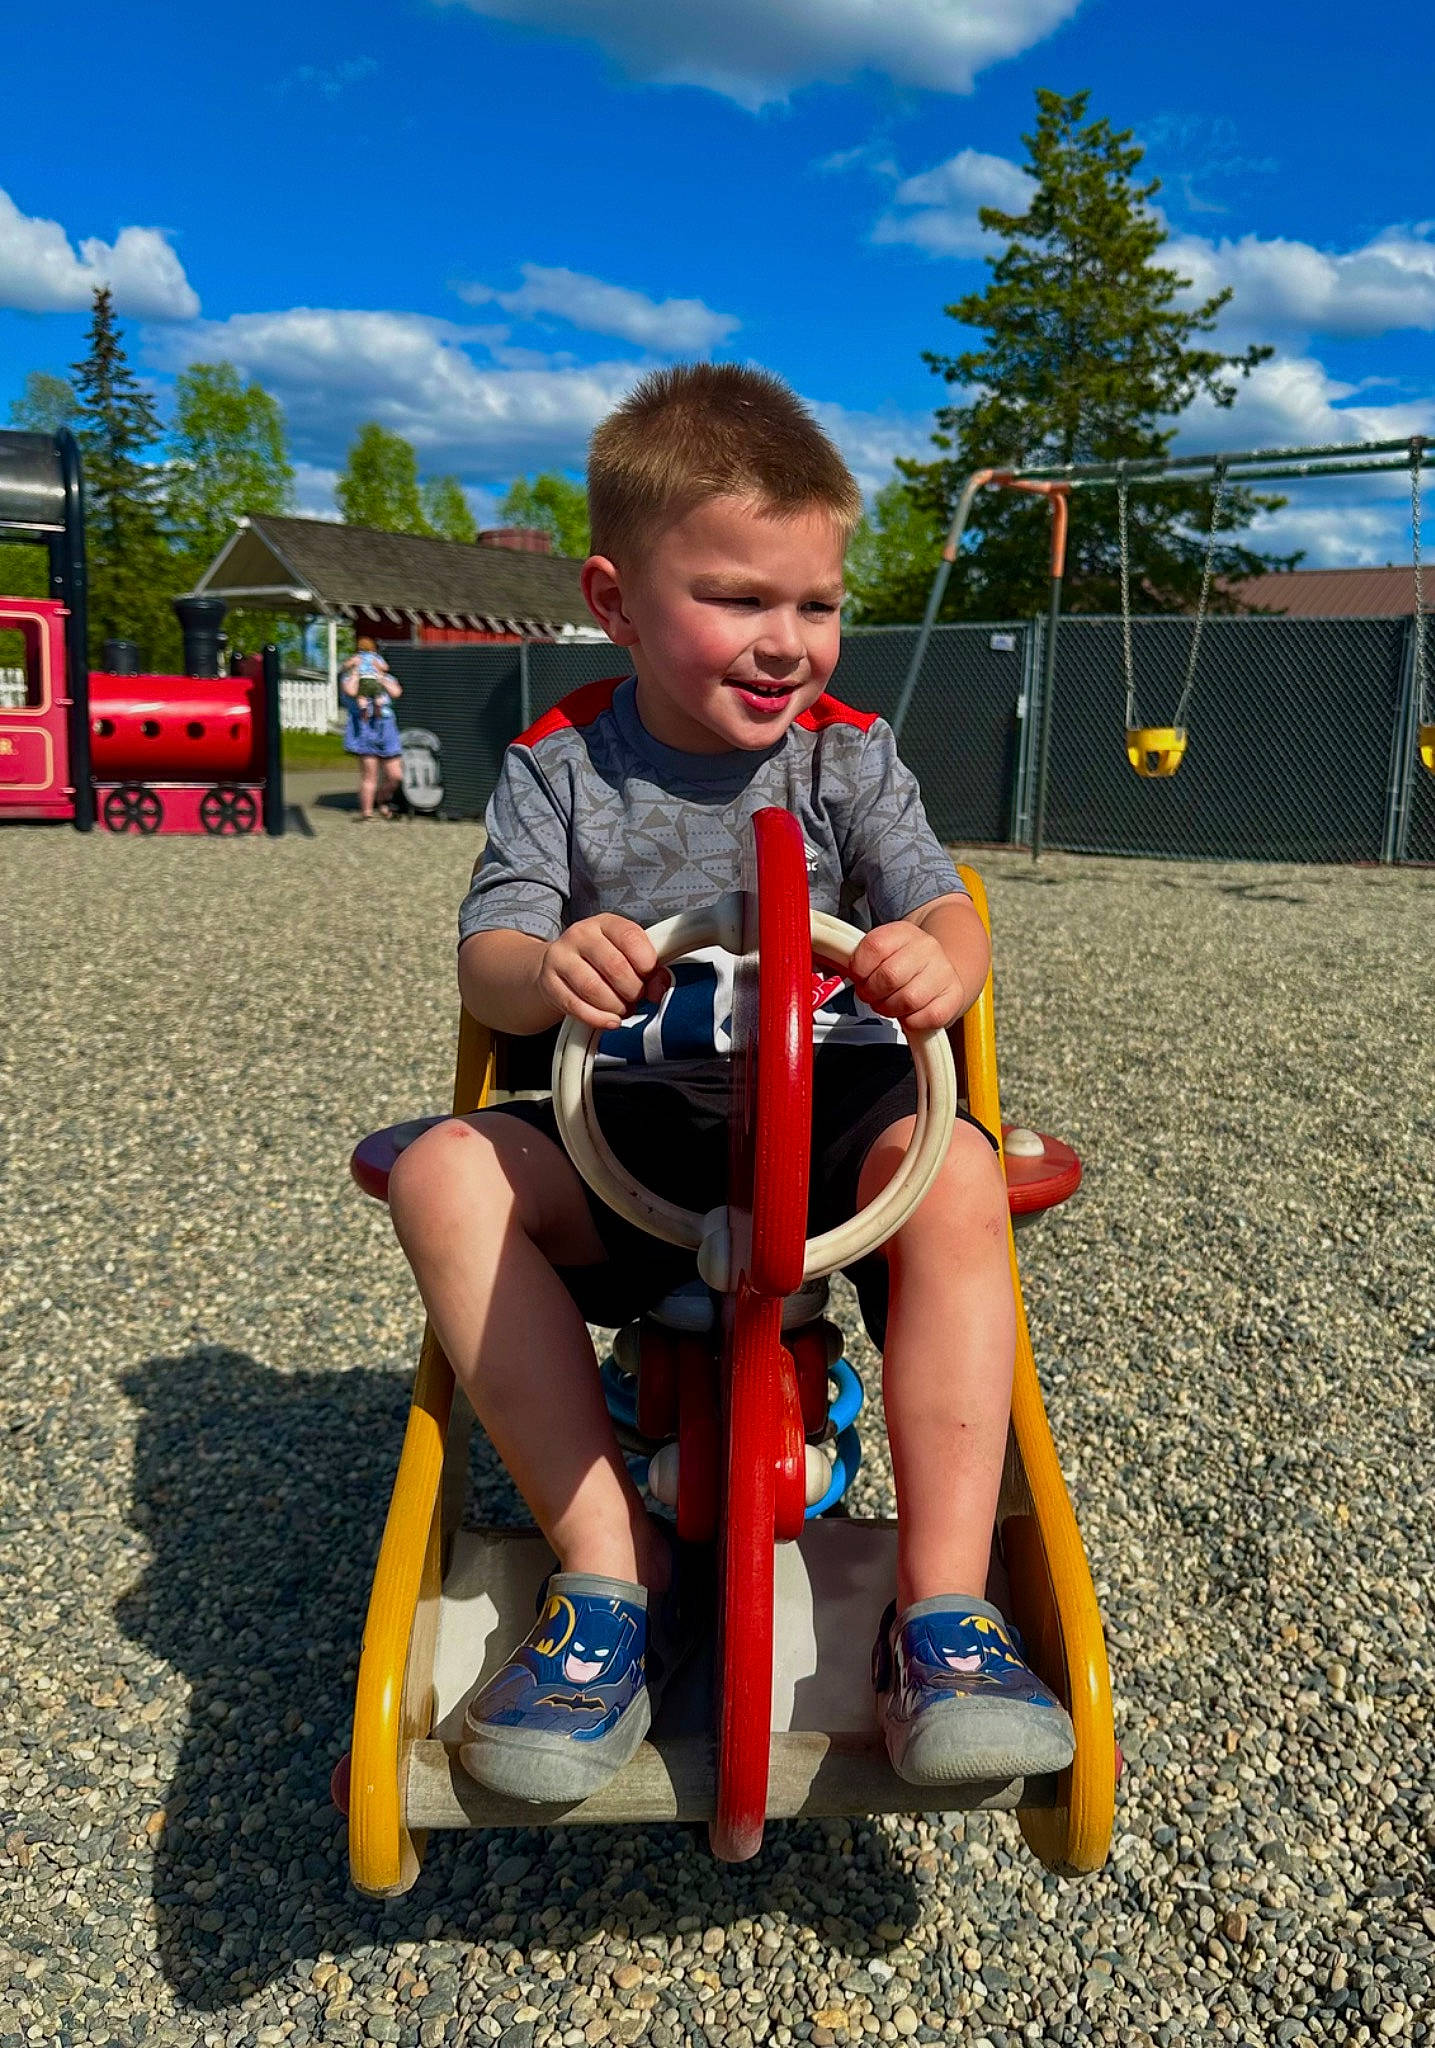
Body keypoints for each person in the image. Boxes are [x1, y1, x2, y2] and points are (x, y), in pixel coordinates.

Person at [386, 363, 1075, 1802]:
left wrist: (940, 957)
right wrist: (548, 965)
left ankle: (941, 1615)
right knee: (448, 1172)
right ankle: (607, 1570)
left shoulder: (846, 762)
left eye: (813, 607)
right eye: (736, 602)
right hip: (623, 1143)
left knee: (952, 1171)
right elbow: (490, 958)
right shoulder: (560, 766)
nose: (785, 645)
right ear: (612, 598)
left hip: (833, 1146)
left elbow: (946, 911)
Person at [340, 638, 404, 820]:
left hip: (386, 726)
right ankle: (366, 812)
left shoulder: (384, 675)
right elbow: (351, 692)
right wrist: (355, 671)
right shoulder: (350, 678)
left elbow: (396, 692)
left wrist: (380, 676)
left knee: (395, 775)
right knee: (370, 774)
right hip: (365, 726)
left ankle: (381, 800)